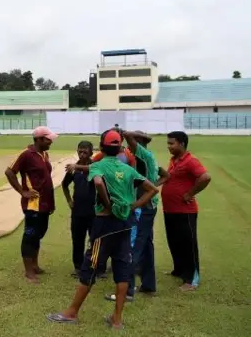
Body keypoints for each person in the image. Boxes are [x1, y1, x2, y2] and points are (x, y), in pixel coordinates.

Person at [47, 130, 159, 330]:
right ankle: (117, 319)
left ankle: (71, 312)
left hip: (104, 225)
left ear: (101, 146)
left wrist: (107, 204)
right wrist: (134, 205)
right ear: (119, 148)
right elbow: (153, 189)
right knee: (122, 268)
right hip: (125, 225)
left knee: (90, 265)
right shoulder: (126, 168)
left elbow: (98, 182)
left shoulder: (98, 166)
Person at [105, 130, 170, 302]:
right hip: (150, 206)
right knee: (147, 245)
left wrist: (121, 132)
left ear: (138, 143)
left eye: (131, 143)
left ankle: (127, 291)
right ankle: (148, 284)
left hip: (143, 208)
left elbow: (127, 136)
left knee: (132, 246)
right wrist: (152, 186)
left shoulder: (142, 154)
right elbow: (165, 175)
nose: (127, 146)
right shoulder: (149, 157)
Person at [5, 126, 58, 284]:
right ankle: (28, 272)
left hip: (45, 203)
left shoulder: (44, 154)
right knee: (30, 236)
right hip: (33, 205)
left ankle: (34, 265)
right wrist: (23, 192)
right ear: (39, 139)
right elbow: (9, 172)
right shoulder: (26, 154)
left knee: (39, 233)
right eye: (48, 139)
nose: (51, 142)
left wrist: (51, 203)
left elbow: (46, 178)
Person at [162, 131, 211, 291]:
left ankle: (191, 280)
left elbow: (205, 177)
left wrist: (190, 194)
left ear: (182, 144)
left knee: (188, 244)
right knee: (174, 242)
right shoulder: (174, 160)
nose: (169, 146)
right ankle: (179, 270)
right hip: (170, 210)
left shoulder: (190, 161)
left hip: (185, 211)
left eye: (171, 143)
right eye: (168, 143)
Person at [62, 141, 97, 278]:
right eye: (79, 151)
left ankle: (96, 267)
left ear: (91, 153)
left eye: (85, 152)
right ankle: (78, 267)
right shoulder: (73, 169)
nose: (82, 154)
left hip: (93, 211)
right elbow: (64, 185)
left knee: (95, 240)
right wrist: (70, 201)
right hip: (78, 211)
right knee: (77, 239)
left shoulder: (95, 167)